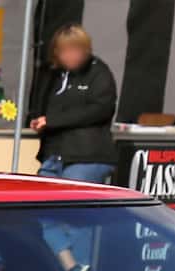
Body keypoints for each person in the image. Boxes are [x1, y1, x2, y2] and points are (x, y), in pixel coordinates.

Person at [31, 25, 118, 185]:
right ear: (56, 52)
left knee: (71, 201)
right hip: (53, 156)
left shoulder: (98, 72)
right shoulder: (53, 75)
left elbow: (101, 109)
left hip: (87, 157)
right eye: (65, 51)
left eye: (76, 50)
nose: (70, 56)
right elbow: (44, 107)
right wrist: (40, 121)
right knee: (41, 202)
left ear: (86, 50)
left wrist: (53, 121)